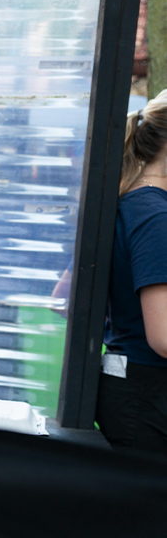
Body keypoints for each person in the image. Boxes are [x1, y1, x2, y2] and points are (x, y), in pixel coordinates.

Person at [96, 89, 167, 458]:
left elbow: (63, 298)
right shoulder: (156, 217)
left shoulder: (128, 202)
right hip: (148, 397)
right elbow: (165, 337)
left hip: (128, 392)